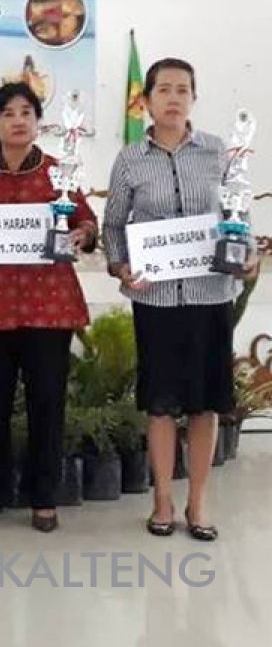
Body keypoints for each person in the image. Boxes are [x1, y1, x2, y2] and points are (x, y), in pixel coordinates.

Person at [103, 58, 259, 542]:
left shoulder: (219, 152)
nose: (173, 98)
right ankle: (163, 502)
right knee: (161, 403)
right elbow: (113, 226)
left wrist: (247, 252)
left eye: (183, 89)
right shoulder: (131, 158)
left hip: (210, 294)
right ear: (146, 99)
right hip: (156, 300)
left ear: (194, 97)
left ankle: (198, 504)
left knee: (206, 404)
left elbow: (238, 214)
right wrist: (119, 263)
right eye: (164, 89)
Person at [0, 82, 97, 533]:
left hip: (49, 307)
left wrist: (80, 236)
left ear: (37, 122)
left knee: (47, 405)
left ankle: (44, 496)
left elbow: (86, 222)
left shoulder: (59, 174)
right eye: (8, 112)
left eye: (26, 112)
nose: (17, 120)